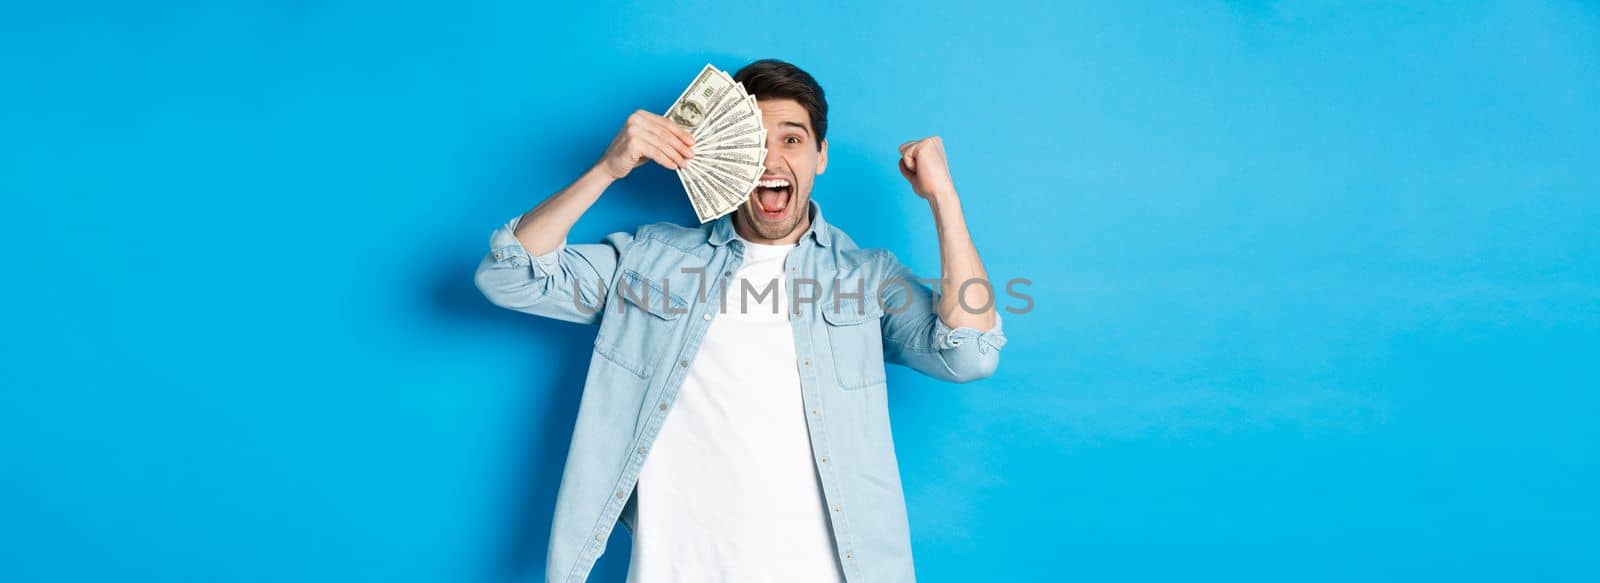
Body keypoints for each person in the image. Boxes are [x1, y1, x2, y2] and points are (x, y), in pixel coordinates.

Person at [475, 58, 1007, 583]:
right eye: (753, 138)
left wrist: (943, 197)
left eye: (792, 140)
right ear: (724, 150)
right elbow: (509, 276)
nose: (770, 159)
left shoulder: (866, 277)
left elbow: (970, 353)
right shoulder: (650, 259)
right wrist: (607, 169)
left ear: (820, 155)